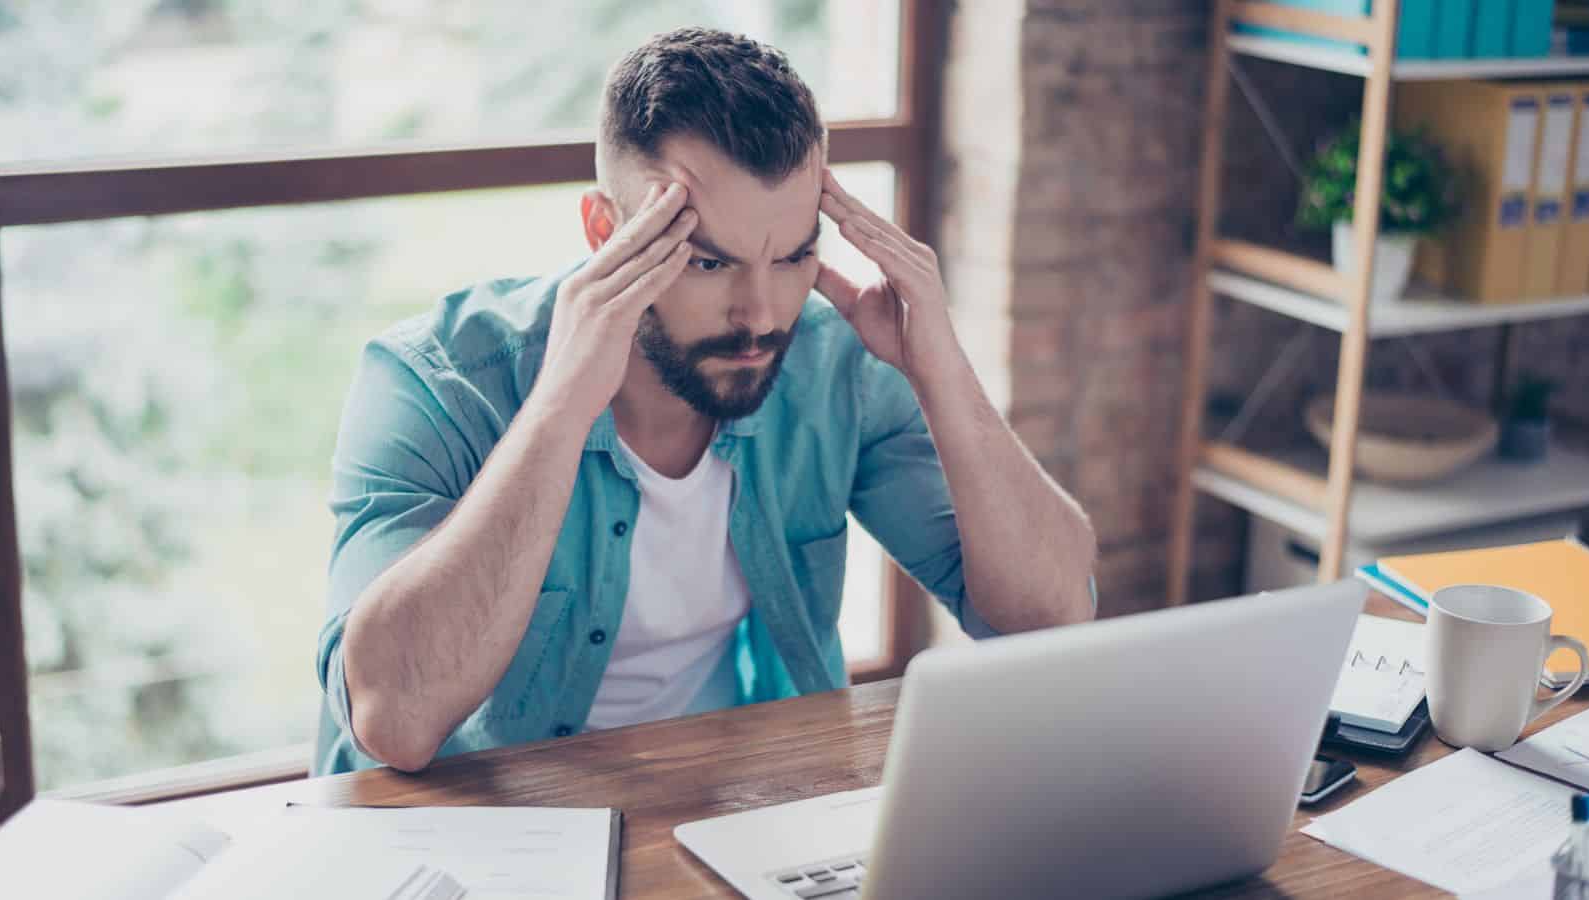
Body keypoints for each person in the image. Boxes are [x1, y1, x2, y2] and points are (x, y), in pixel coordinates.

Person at [313, 27, 1097, 776]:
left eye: (793, 257)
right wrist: (560, 408)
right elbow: (395, 721)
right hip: (491, 835)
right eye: (709, 263)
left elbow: (1049, 619)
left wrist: (942, 371)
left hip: (725, 805)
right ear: (604, 230)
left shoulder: (832, 365)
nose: (761, 315)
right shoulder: (434, 379)